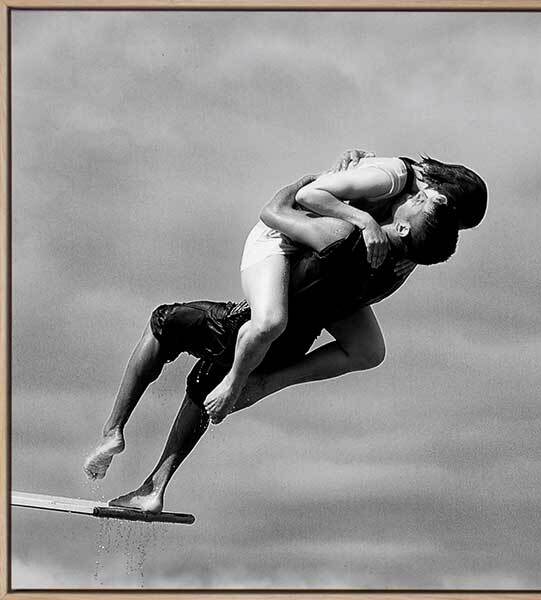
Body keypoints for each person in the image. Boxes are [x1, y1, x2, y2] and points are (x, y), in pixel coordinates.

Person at [83, 170, 461, 513]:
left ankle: (113, 431)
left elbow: (273, 212)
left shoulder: (341, 235)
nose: (413, 196)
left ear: (405, 228)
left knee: (162, 323)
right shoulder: (393, 273)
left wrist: (306, 182)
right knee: (202, 386)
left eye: (418, 202)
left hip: (243, 329)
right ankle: (155, 488)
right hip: (290, 349)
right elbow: (366, 345)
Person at [203, 151, 487, 424]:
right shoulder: (393, 177)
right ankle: (233, 380)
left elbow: (418, 233)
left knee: (370, 351)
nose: (446, 226)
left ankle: (270, 382)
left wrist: (415, 254)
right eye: (452, 221)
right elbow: (305, 196)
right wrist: (366, 222)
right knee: (271, 322)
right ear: (443, 195)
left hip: (326, 255)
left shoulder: (416, 202)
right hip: (286, 230)